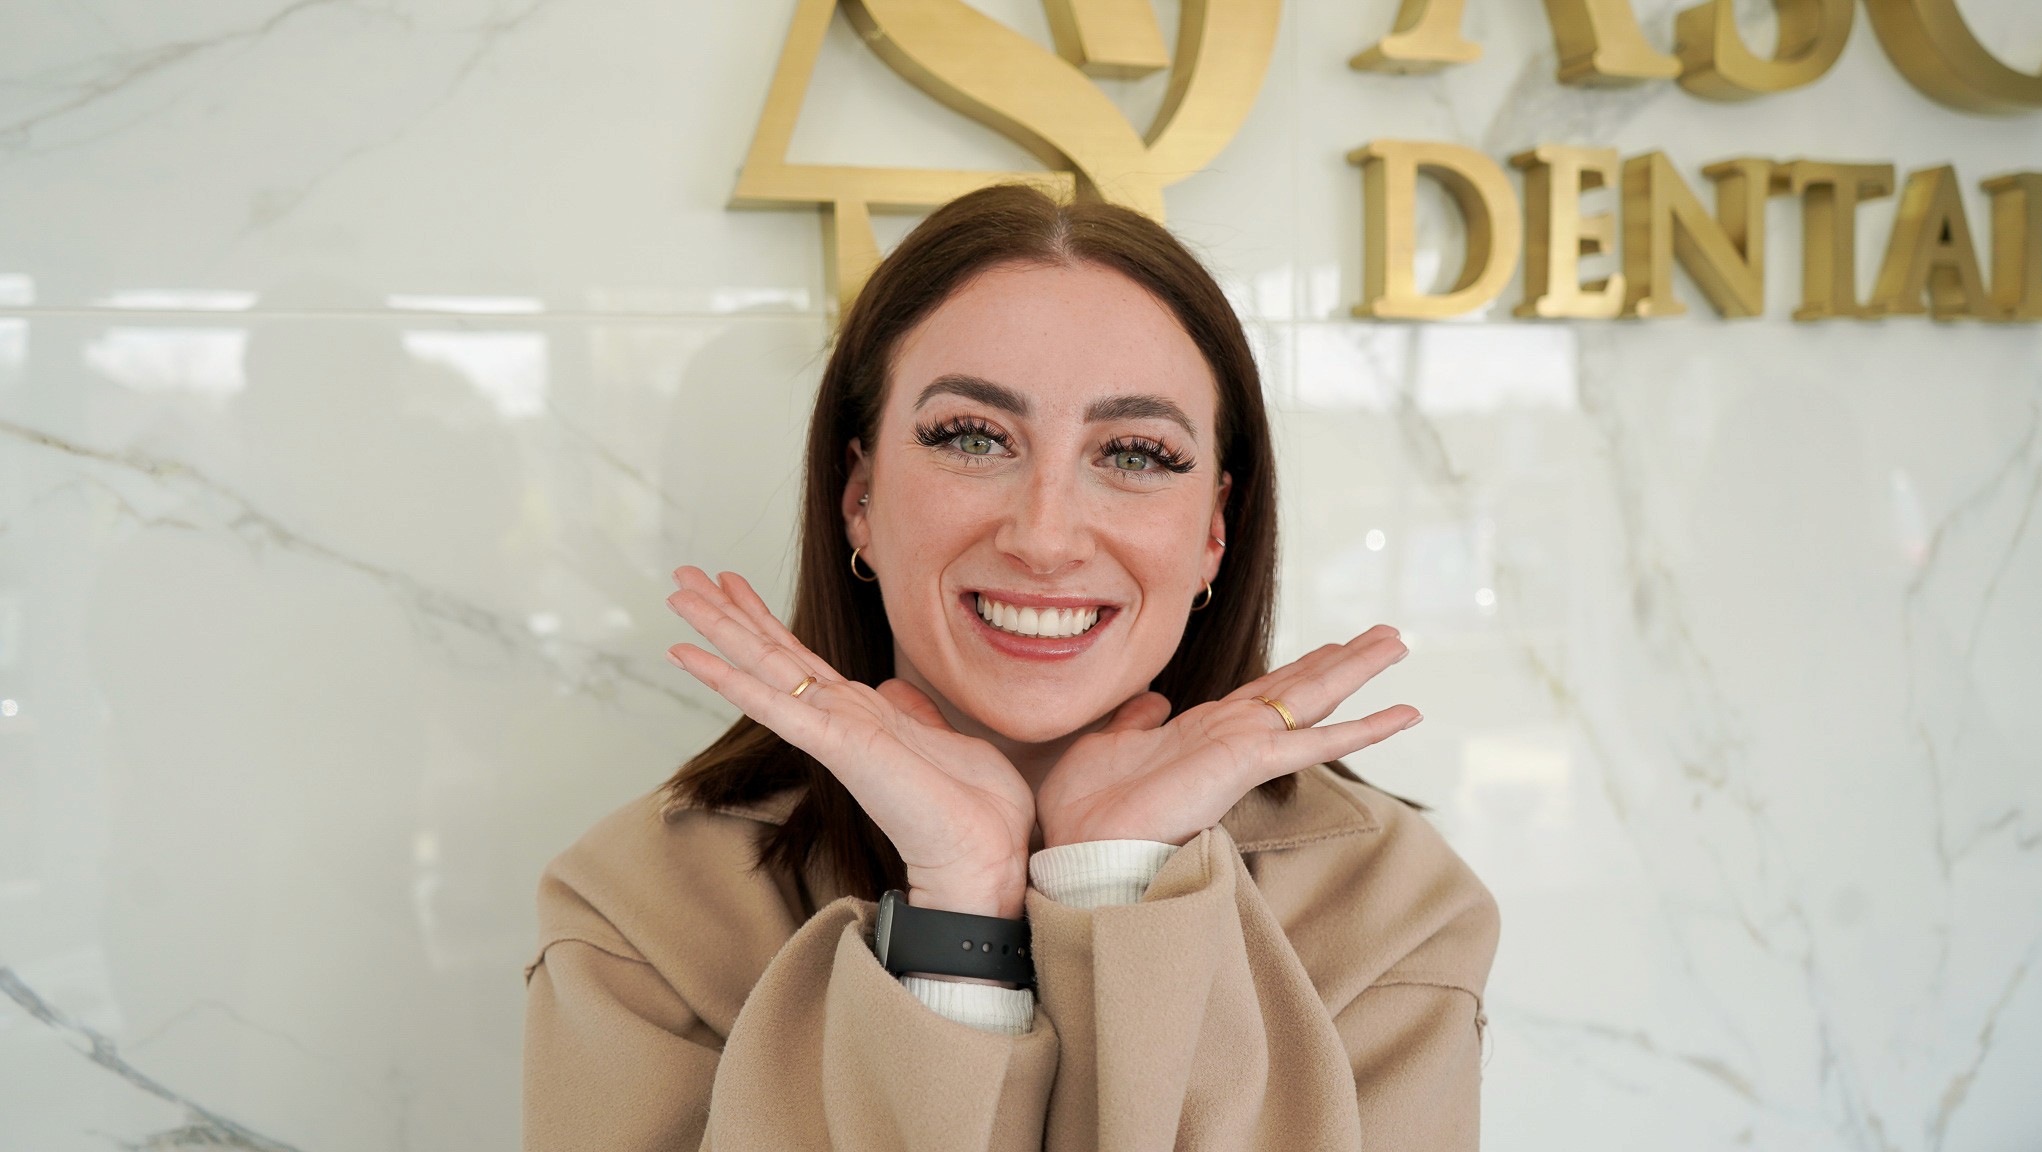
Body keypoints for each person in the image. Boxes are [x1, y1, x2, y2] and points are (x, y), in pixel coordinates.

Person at [521, 185, 1499, 1151]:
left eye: (1135, 453)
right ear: (858, 497)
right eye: (972, 437)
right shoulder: (642, 909)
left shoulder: (1388, 911)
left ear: (1213, 530)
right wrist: (957, 923)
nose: (1044, 536)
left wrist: (1116, 884)